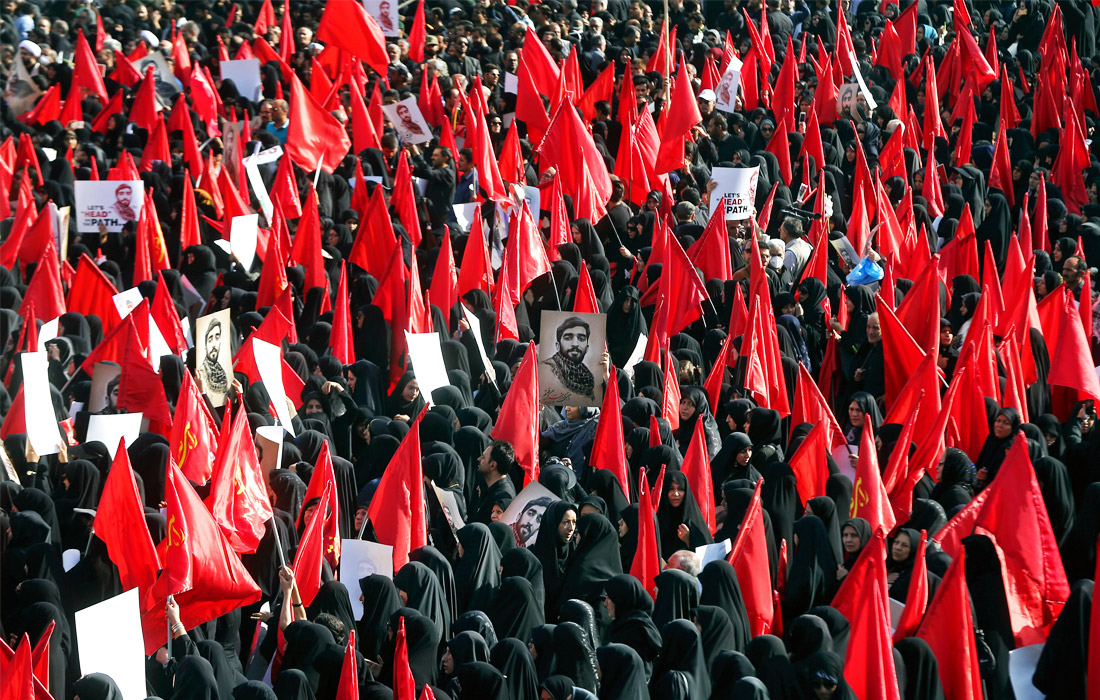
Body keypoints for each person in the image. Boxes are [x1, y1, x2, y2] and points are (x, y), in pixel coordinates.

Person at [541, 316, 597, 403]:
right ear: (557, 345)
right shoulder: (547, 369)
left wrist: (606, 377)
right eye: (568, 338)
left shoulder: (587, 377)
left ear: (587, 348)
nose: (575, 344)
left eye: (581, 339)